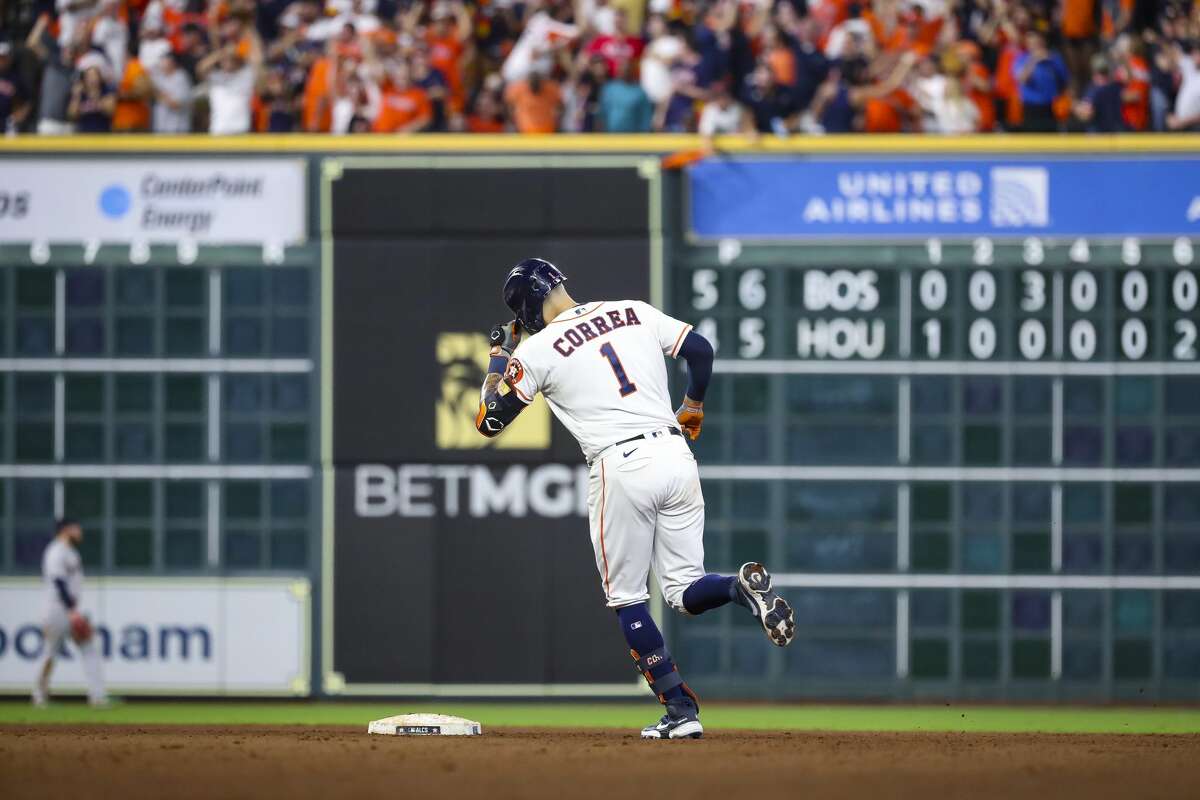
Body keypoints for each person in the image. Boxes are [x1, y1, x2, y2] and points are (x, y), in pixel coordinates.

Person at [476, 259, 795, 740]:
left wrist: (500, 357)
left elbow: (488, 420)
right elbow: (701, 351)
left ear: (525, 308)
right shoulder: (632, 310)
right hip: (674, 451)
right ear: (560, 284)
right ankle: (737, 588)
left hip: (619, 464)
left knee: (627, 598)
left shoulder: (537, 350)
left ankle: (681, 711)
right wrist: (693, 403)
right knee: (685, 591)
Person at [33, 519, 108, 708]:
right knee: (50, 652)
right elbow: (58, 582)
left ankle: (97, 696)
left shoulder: (71, 552)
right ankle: (39, 696)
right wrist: (72, 611)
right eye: (76, 528)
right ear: (66, 530)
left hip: (69, 608)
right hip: (57, 609)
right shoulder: (55, 551)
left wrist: (73, 610)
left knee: (90, 648)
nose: (79, 531)